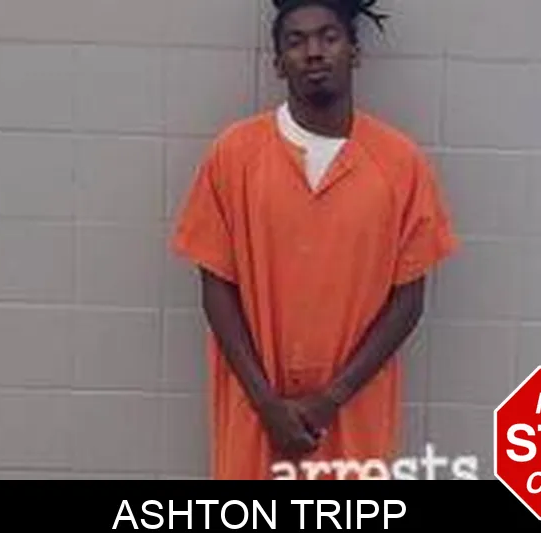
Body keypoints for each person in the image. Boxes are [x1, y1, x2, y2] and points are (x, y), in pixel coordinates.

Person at [170, 0, 459, 480]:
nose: (314, 52)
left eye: (329, 37)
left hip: (352, 416)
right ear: (277, 63)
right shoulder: (234, 155)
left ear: (354, 52)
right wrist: (266, 403)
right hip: (255, 414)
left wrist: (332, 398)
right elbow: (216, 288)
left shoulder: (401, 164)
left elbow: (407, 302)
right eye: (296, 41)